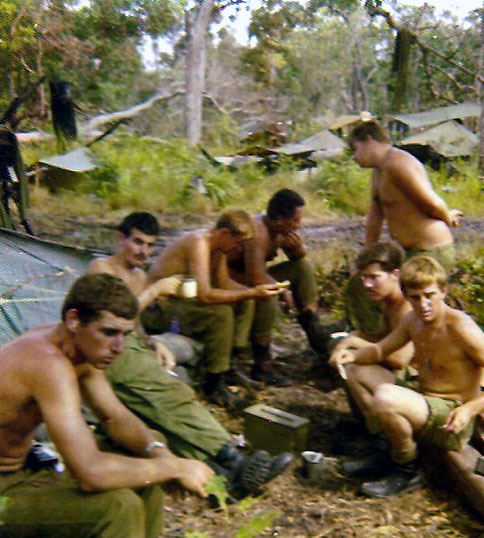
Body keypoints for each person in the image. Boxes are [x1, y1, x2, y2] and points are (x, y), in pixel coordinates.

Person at [0, 273, 213, 538]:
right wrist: (175, 467)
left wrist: (161, 455)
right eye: (109, 332)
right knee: (116, 509)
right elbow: (90, 473)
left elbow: (117, 419)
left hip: (22, 474)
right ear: (74, 320)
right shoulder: (47, 362)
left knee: (146, 446)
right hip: (4, 494)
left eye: (125, 334)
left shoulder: (76, 350)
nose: (118, 347)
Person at [88, 212, 294, 495]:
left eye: (149, 245)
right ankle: (233, 458)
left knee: (162, 416)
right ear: (120, 238)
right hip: (108, 353)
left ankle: (223, 479)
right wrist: (156, 290)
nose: (143, 251)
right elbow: (107, 324)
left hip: (130, 346)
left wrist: (152, 343)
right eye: (137, 242)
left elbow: (133, 325)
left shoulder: (137, 276)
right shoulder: (101, 269)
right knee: (171, 399)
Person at [330, 256, 484, 498]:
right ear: (406, 296)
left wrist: (470, 410)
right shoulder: (412, 320)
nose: (423, 304)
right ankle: (385, 448)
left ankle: (407, 469)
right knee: (358, 372)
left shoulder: (460, 327)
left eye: (429, 295)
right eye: (415, 297)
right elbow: (380, 350)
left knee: (385, 397)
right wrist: (350, 355)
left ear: (443, 291)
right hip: (424, 401)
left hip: (450, 415)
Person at [142, 209, 287, 405]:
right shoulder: (199, 242)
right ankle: (214, 381)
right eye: (238, 242)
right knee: (221, 312)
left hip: (182, 300)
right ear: (225, 233)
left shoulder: (219, 248)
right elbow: (205, 295)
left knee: (247, 301)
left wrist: (257, 291)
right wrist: (251, 292)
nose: (239, 248)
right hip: (159, 307)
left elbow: (224, 283)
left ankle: (230, 366)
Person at [346, 120, 462, 336]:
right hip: (406, 251)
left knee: (416, 302)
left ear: (369, 140)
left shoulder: (398, 164)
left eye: (355, 149)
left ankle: (410, 354)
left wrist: (448, 216)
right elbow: (375, 215)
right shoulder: (379, 171)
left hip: (430, 250)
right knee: (363, 286)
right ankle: (375, 341)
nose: (354, 157)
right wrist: (364, 260)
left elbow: (431, 202)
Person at [227, 189, 338, 384]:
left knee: (302, 267)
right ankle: (262, 363)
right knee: (268, 292)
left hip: (252, 278)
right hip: (231, 282)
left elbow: (296, 260)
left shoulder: (281, 231)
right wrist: (282, 289)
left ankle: (313, 329)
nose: (299, 225)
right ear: (279, 219)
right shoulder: (258, 232)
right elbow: (256, 277)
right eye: (295, 220)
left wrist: (298, 250)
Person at [329, 242, 414, 476]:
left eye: (374, 277)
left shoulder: (407, 305)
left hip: (420, 385)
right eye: (364, 277)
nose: (367, 285)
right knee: (348, 357)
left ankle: (384, 446)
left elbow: (400, 358)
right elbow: (384, 339)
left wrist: (356, 345)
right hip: (404, 381)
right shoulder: (390, 301)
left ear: (395, 275)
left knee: (358, 368)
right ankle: (373, 433)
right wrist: (353, 337)